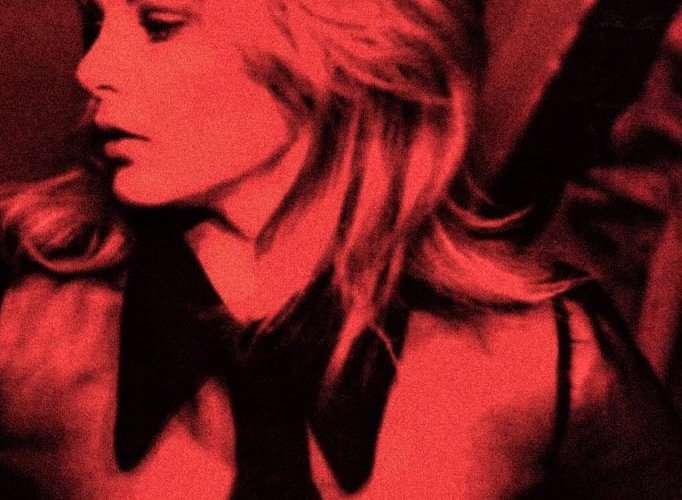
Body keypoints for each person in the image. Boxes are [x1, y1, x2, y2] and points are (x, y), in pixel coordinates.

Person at [0, 0, 680, 498]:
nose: (92, 69)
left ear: (341, 42)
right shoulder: (19, 328)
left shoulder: (549, 361)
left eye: (159, 24)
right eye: (98, 20)